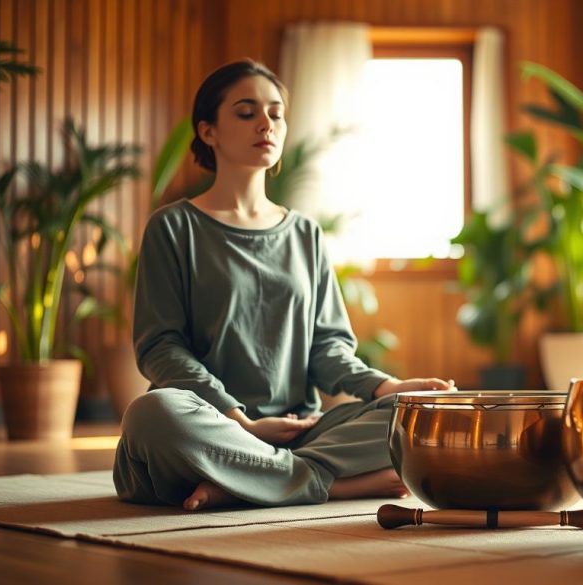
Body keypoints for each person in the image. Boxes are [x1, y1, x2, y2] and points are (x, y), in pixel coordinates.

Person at [113, 60, 453, 511]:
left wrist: (386, 387)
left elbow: (328, 347)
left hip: (299, 430)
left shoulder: (304, 234)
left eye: (275, 113)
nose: (266, 124)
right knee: (150, 415)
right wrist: (238, 423)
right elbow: (160, 348)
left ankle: (245, 481)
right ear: (209, 131)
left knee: (420, 412)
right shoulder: (174, 227)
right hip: (211, 426)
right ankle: (322, 483)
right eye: (246, 111)